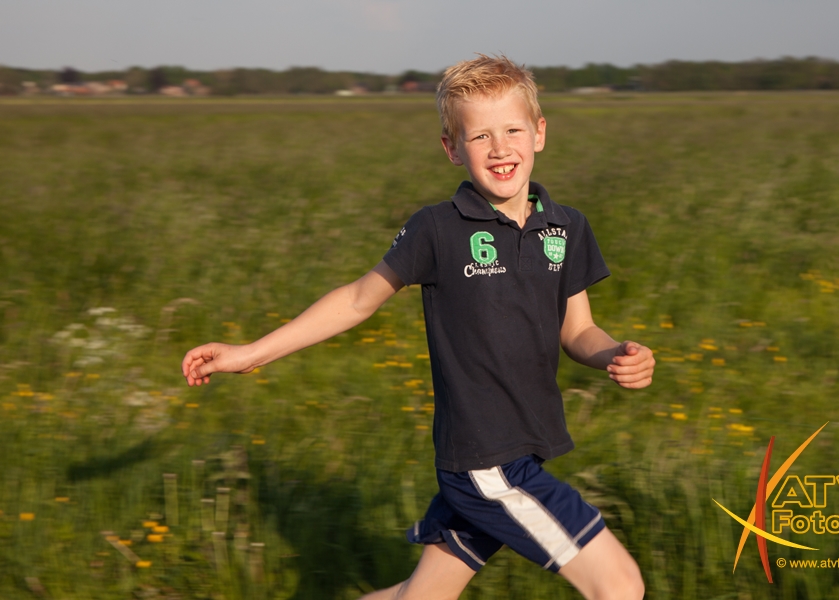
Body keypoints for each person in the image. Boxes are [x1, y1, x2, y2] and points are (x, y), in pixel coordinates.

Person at [182, 54, 653, 600]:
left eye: (512, 130)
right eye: (480, 136)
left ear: (539, 133)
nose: (500, 148)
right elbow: (357, 300)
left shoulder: (566, 227)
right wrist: (249, 353)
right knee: (620, 586)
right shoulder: (437, 229)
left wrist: (615, 353)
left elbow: (578, 330)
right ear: (452, 147)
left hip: (525, 446)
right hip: (487, 461)